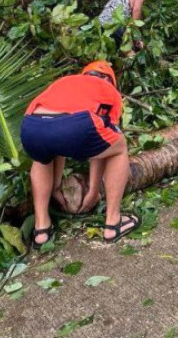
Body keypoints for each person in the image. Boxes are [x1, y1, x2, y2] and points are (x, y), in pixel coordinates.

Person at [19, 61, 139, 247]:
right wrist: (93, 190)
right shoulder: (109, 90)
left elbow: (55, 136)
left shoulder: (65, 81)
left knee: (42, 156)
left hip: (31, 126)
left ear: (84, 74)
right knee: (119, 147)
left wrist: (56, 187)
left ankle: (41, 229)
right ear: (110, 80)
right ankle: (113, 223)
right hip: (75, 126)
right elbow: (103, 148)